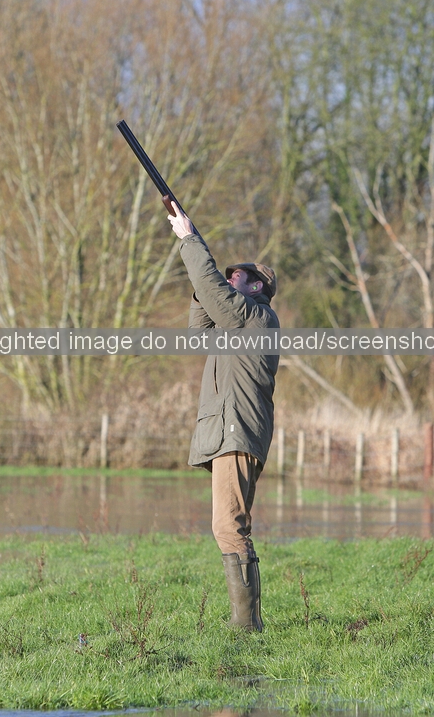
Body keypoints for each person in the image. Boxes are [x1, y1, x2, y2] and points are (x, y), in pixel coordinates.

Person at [167, 201, 279, 632]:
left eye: (239, 277)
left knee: (228, 526)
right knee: (229, 525)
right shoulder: (236, 324)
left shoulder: (256, 317)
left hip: (237, 431)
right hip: (231, 431)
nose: (232, 278)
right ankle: (247, 624)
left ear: (257, 287)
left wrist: (191, 242)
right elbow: (199, 333)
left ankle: (246, 627)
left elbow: (219, 297)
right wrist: (201, 283)